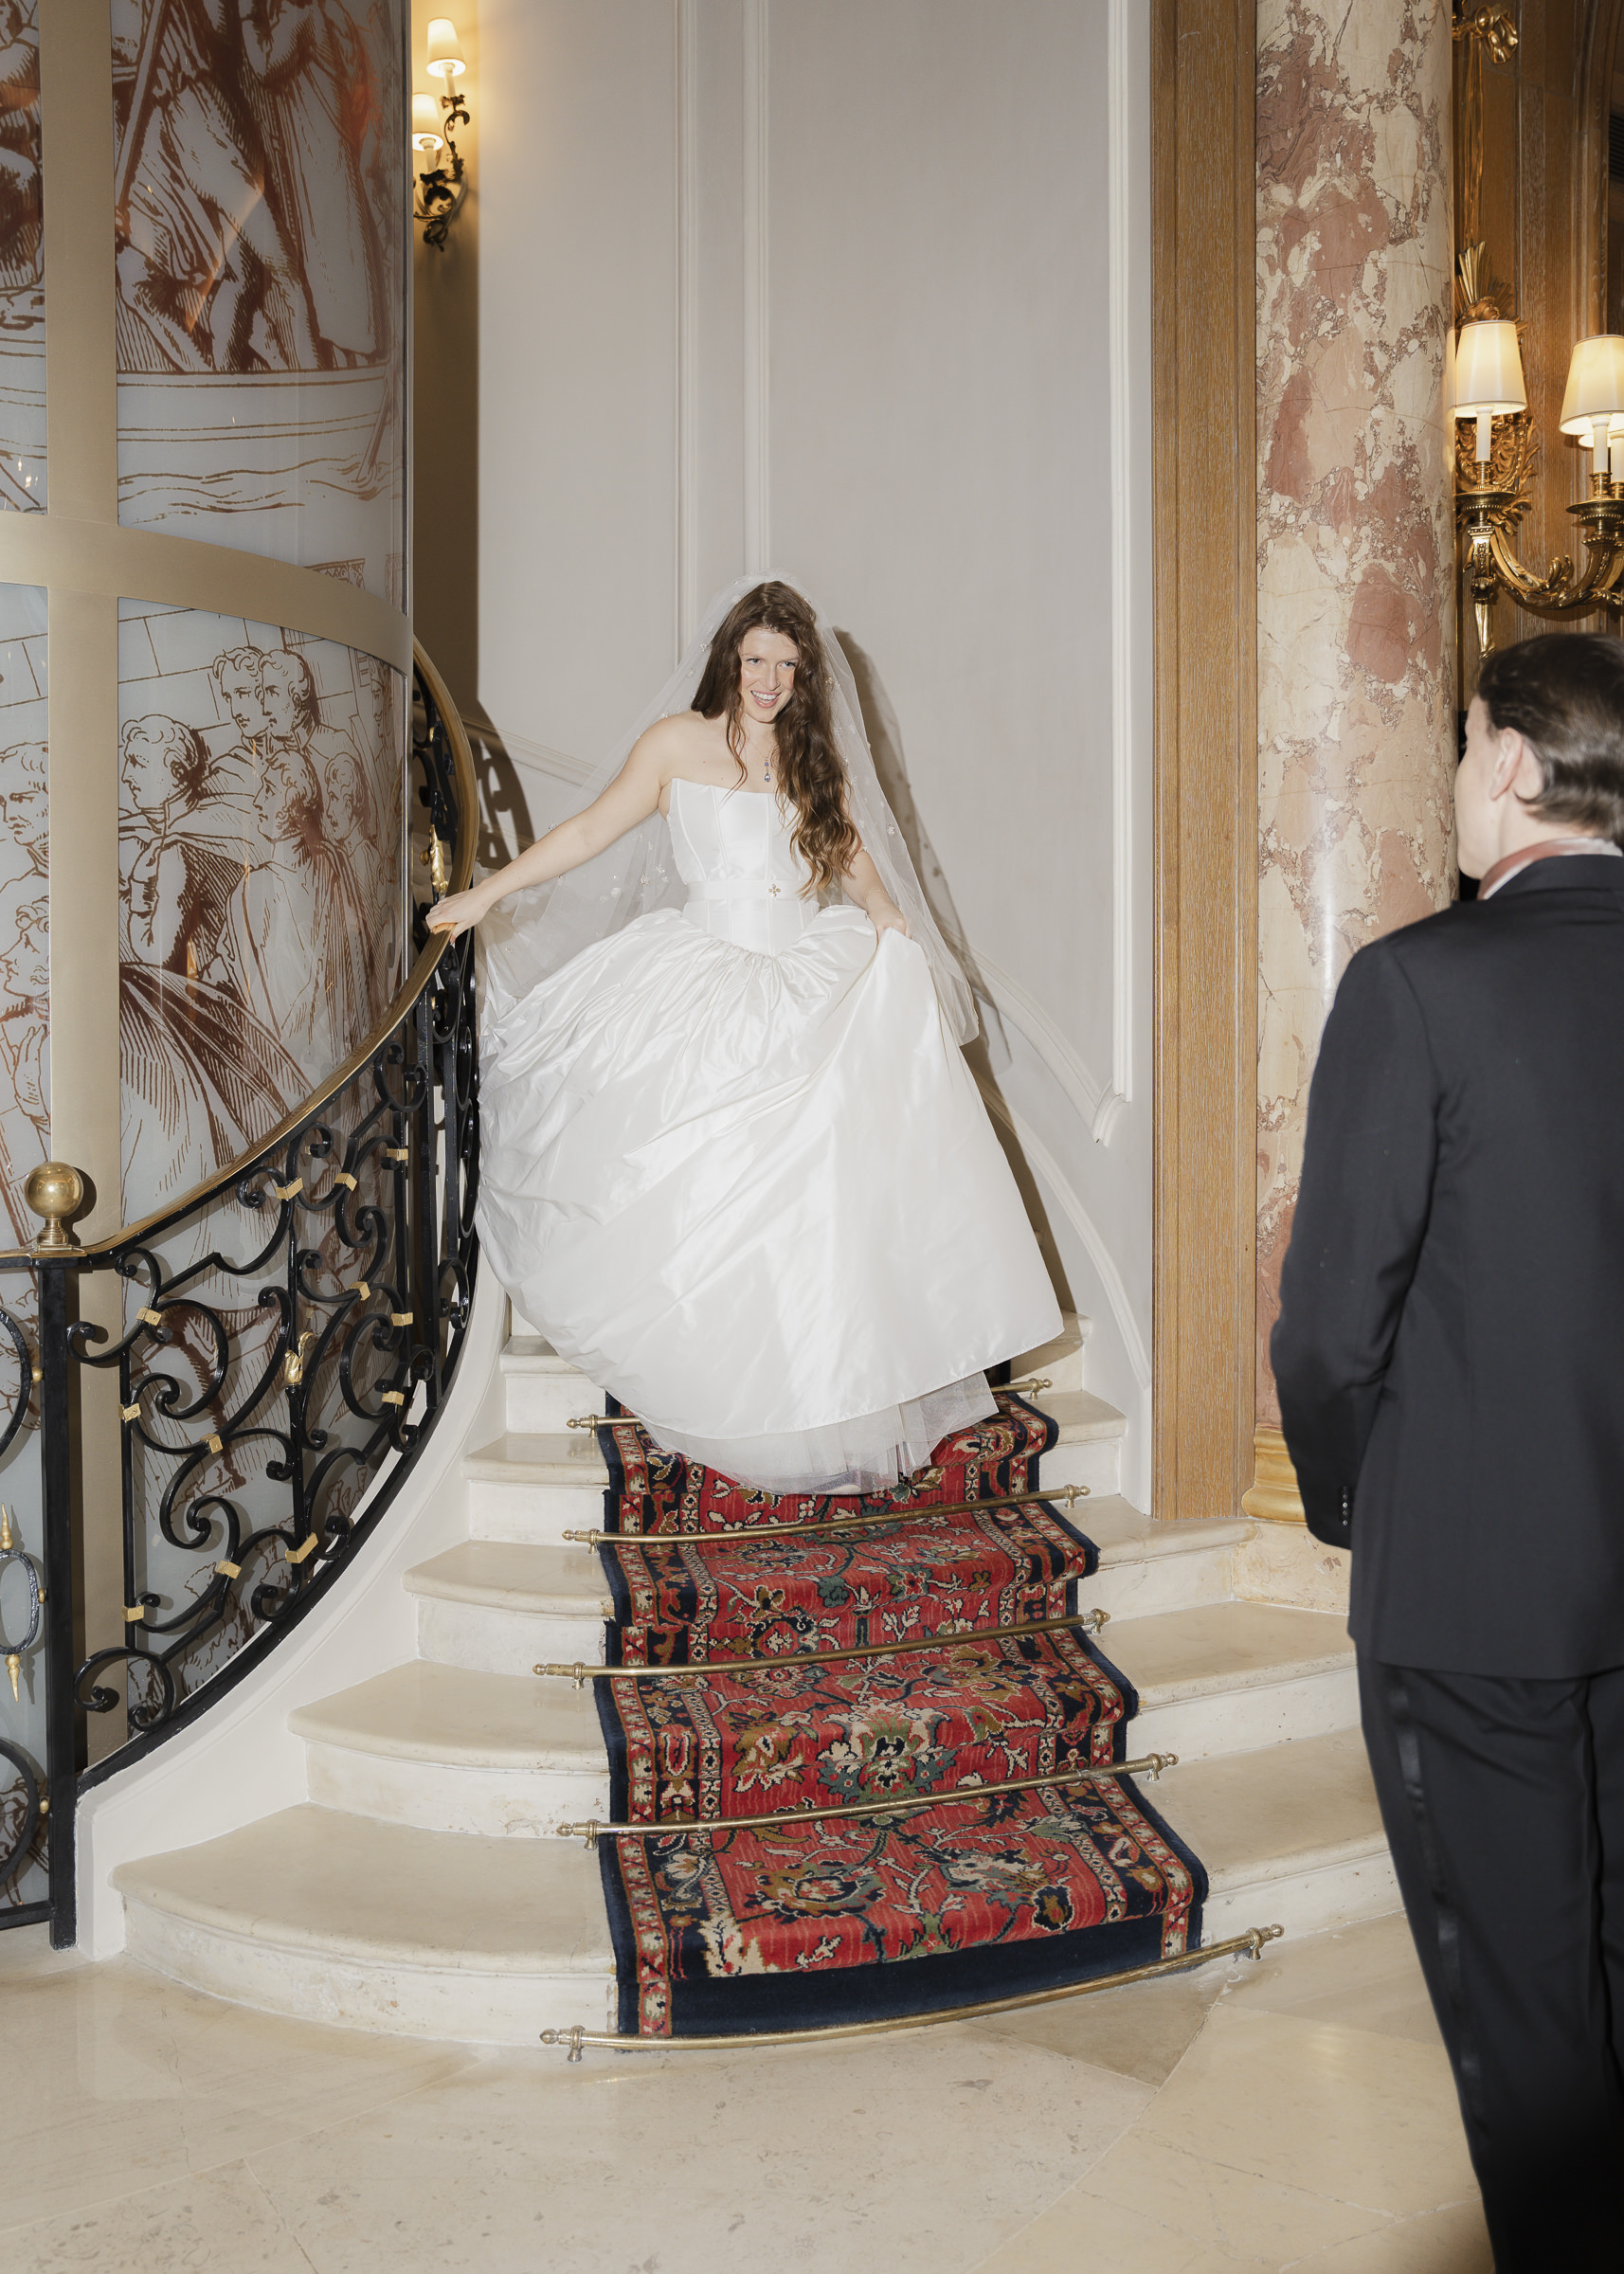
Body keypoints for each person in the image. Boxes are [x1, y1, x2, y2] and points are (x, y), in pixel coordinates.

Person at [428, 577, 1060, 1493]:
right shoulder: (675, 744)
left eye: (786, 665)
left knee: (814, 1196)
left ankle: (814, 1379)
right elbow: (589, 831)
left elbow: (853, 859)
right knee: (702, 1186)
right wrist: (487, 893)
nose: (768, 679)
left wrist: (891, 922)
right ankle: (715, 1362)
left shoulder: (812, 758)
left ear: (804, 677)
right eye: (756, 659)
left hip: (802, 968)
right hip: (700, 973)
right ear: (730, 656)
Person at [1272, 631, 1624, 2268]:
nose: (1451, 776)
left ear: (1507, 764)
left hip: (1468, 1595)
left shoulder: (1413, 983)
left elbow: (1329, 1326)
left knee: (1524, 2007)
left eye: (1460, 741)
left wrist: (1350, 1505)